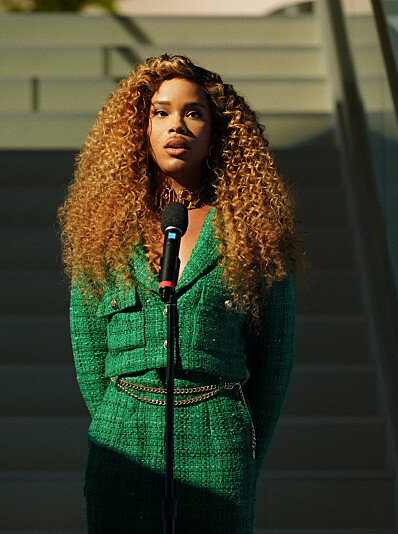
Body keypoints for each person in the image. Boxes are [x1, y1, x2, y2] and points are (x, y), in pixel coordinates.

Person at [58, 54, 301, 534]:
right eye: (161, 112)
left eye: (194, 113)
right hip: (122, 439)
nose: (178, 125)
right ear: (140, 129)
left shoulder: (252, 232)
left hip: (218, 434)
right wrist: (120, 415)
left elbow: (274, 360)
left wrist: (245, 449)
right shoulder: (104, 231)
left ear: (216, 132)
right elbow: (89, 353)